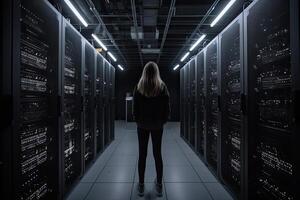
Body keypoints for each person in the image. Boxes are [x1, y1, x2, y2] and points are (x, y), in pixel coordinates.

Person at [133, 61, 170, 197]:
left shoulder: (139, 87)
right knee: (157, 154)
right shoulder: (162, 87)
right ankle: (159, 186)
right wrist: (163, 121)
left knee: (142, 154)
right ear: (156, 73)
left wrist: (138, 120)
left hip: (142, 125)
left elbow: (135, 108)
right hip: (157, 126)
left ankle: (141, 185)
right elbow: (167, 107)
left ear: (144, 72)